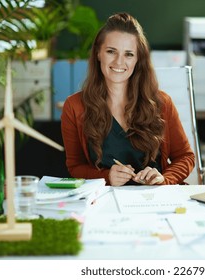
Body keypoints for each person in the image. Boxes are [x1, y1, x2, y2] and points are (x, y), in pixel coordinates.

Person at [61, 12, 195, 186]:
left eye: (129, 54)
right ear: (98, 54)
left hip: (155, 200)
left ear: (138, 59)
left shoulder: (162, 103)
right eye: (111, 51)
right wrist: (107, 177)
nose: (119, 62)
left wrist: (164, 179)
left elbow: (185, 157)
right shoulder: (74, 106)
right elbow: (75, 167)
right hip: (105, 201)